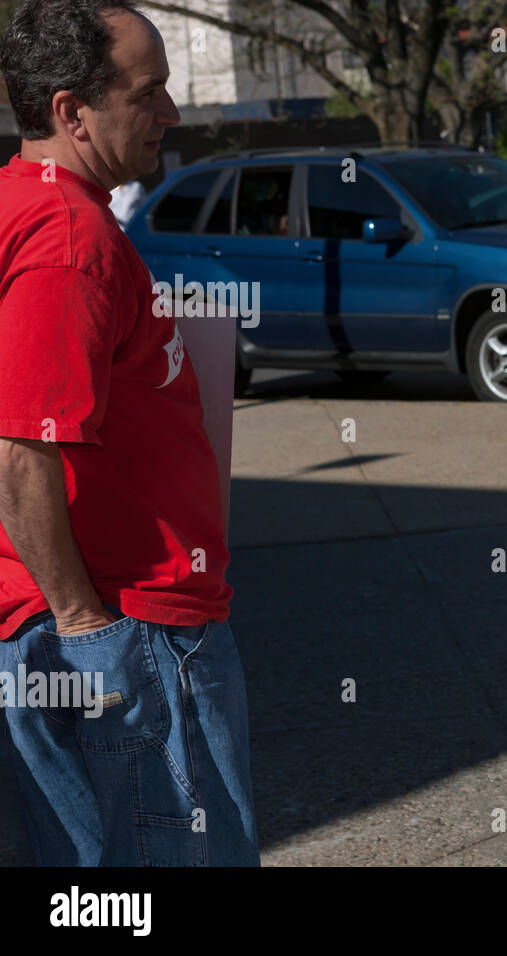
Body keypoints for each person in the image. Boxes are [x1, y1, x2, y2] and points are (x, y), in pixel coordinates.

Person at [0, 0, 258, 865]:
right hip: (131, 623)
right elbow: (23, 449)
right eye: (148, 94)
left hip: (88, 618)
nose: (172, 115)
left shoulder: (29, 207)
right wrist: (87, 630)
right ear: (73, 111)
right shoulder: (70, 238)